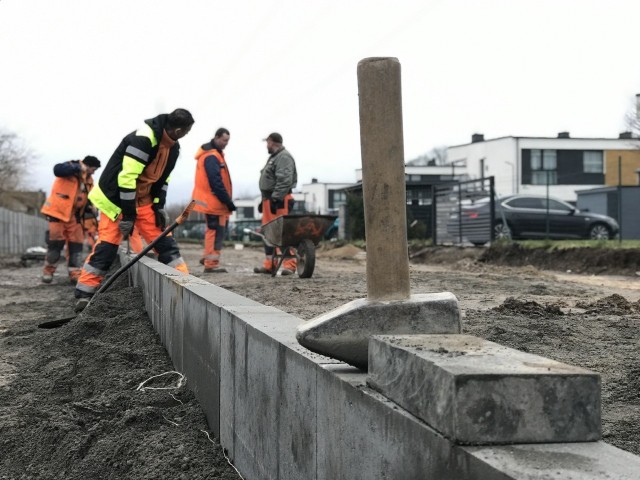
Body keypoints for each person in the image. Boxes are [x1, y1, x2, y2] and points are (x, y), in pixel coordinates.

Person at [74, 109, 195, 311]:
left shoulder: (173, 148)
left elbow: (163, 180)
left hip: (143, 198)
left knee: (164, 240)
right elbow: (126, 179)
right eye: (187, 131)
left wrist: (158, 206)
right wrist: (129, 215)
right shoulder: (143, 139)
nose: (187, 135)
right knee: (107, 246)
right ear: (178, 129)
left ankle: (186, 285)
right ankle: (84, 294)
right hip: (116, 198)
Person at [40, 155, 101, 284]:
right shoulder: (69, 168)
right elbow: (57, 170)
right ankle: (48, 271)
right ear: (88, 166)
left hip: (75, 216)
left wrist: (92, 207)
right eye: (93, 169)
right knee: (56, 244)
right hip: (58, 213)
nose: (94, 173)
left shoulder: (88, 180)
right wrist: (78, 167)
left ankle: (75, 273)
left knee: (76, 245)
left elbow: (87, 197)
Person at [192, 127, 235, 273]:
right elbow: (216, 182)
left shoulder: (213, 155)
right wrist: (228, 201)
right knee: (215, 232)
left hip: (214, 203)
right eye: (224, 140)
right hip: (214, 202)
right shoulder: (212, 156)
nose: (226, 143)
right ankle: (210, 263)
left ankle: (207, 258)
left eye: (228, 141)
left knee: (214, 231)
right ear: (216, 137)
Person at [254, 132, 297, 275]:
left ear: (272, 142)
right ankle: (269, 264)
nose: (267, 145)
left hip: (280, 201)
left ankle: (289, 265)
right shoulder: (275, 157)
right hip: (270, 200)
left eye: (267, 142)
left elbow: (284, 179)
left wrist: (276, 198)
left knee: (282, 233)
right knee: (269, 233)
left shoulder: (283, 157)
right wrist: (265, 200)